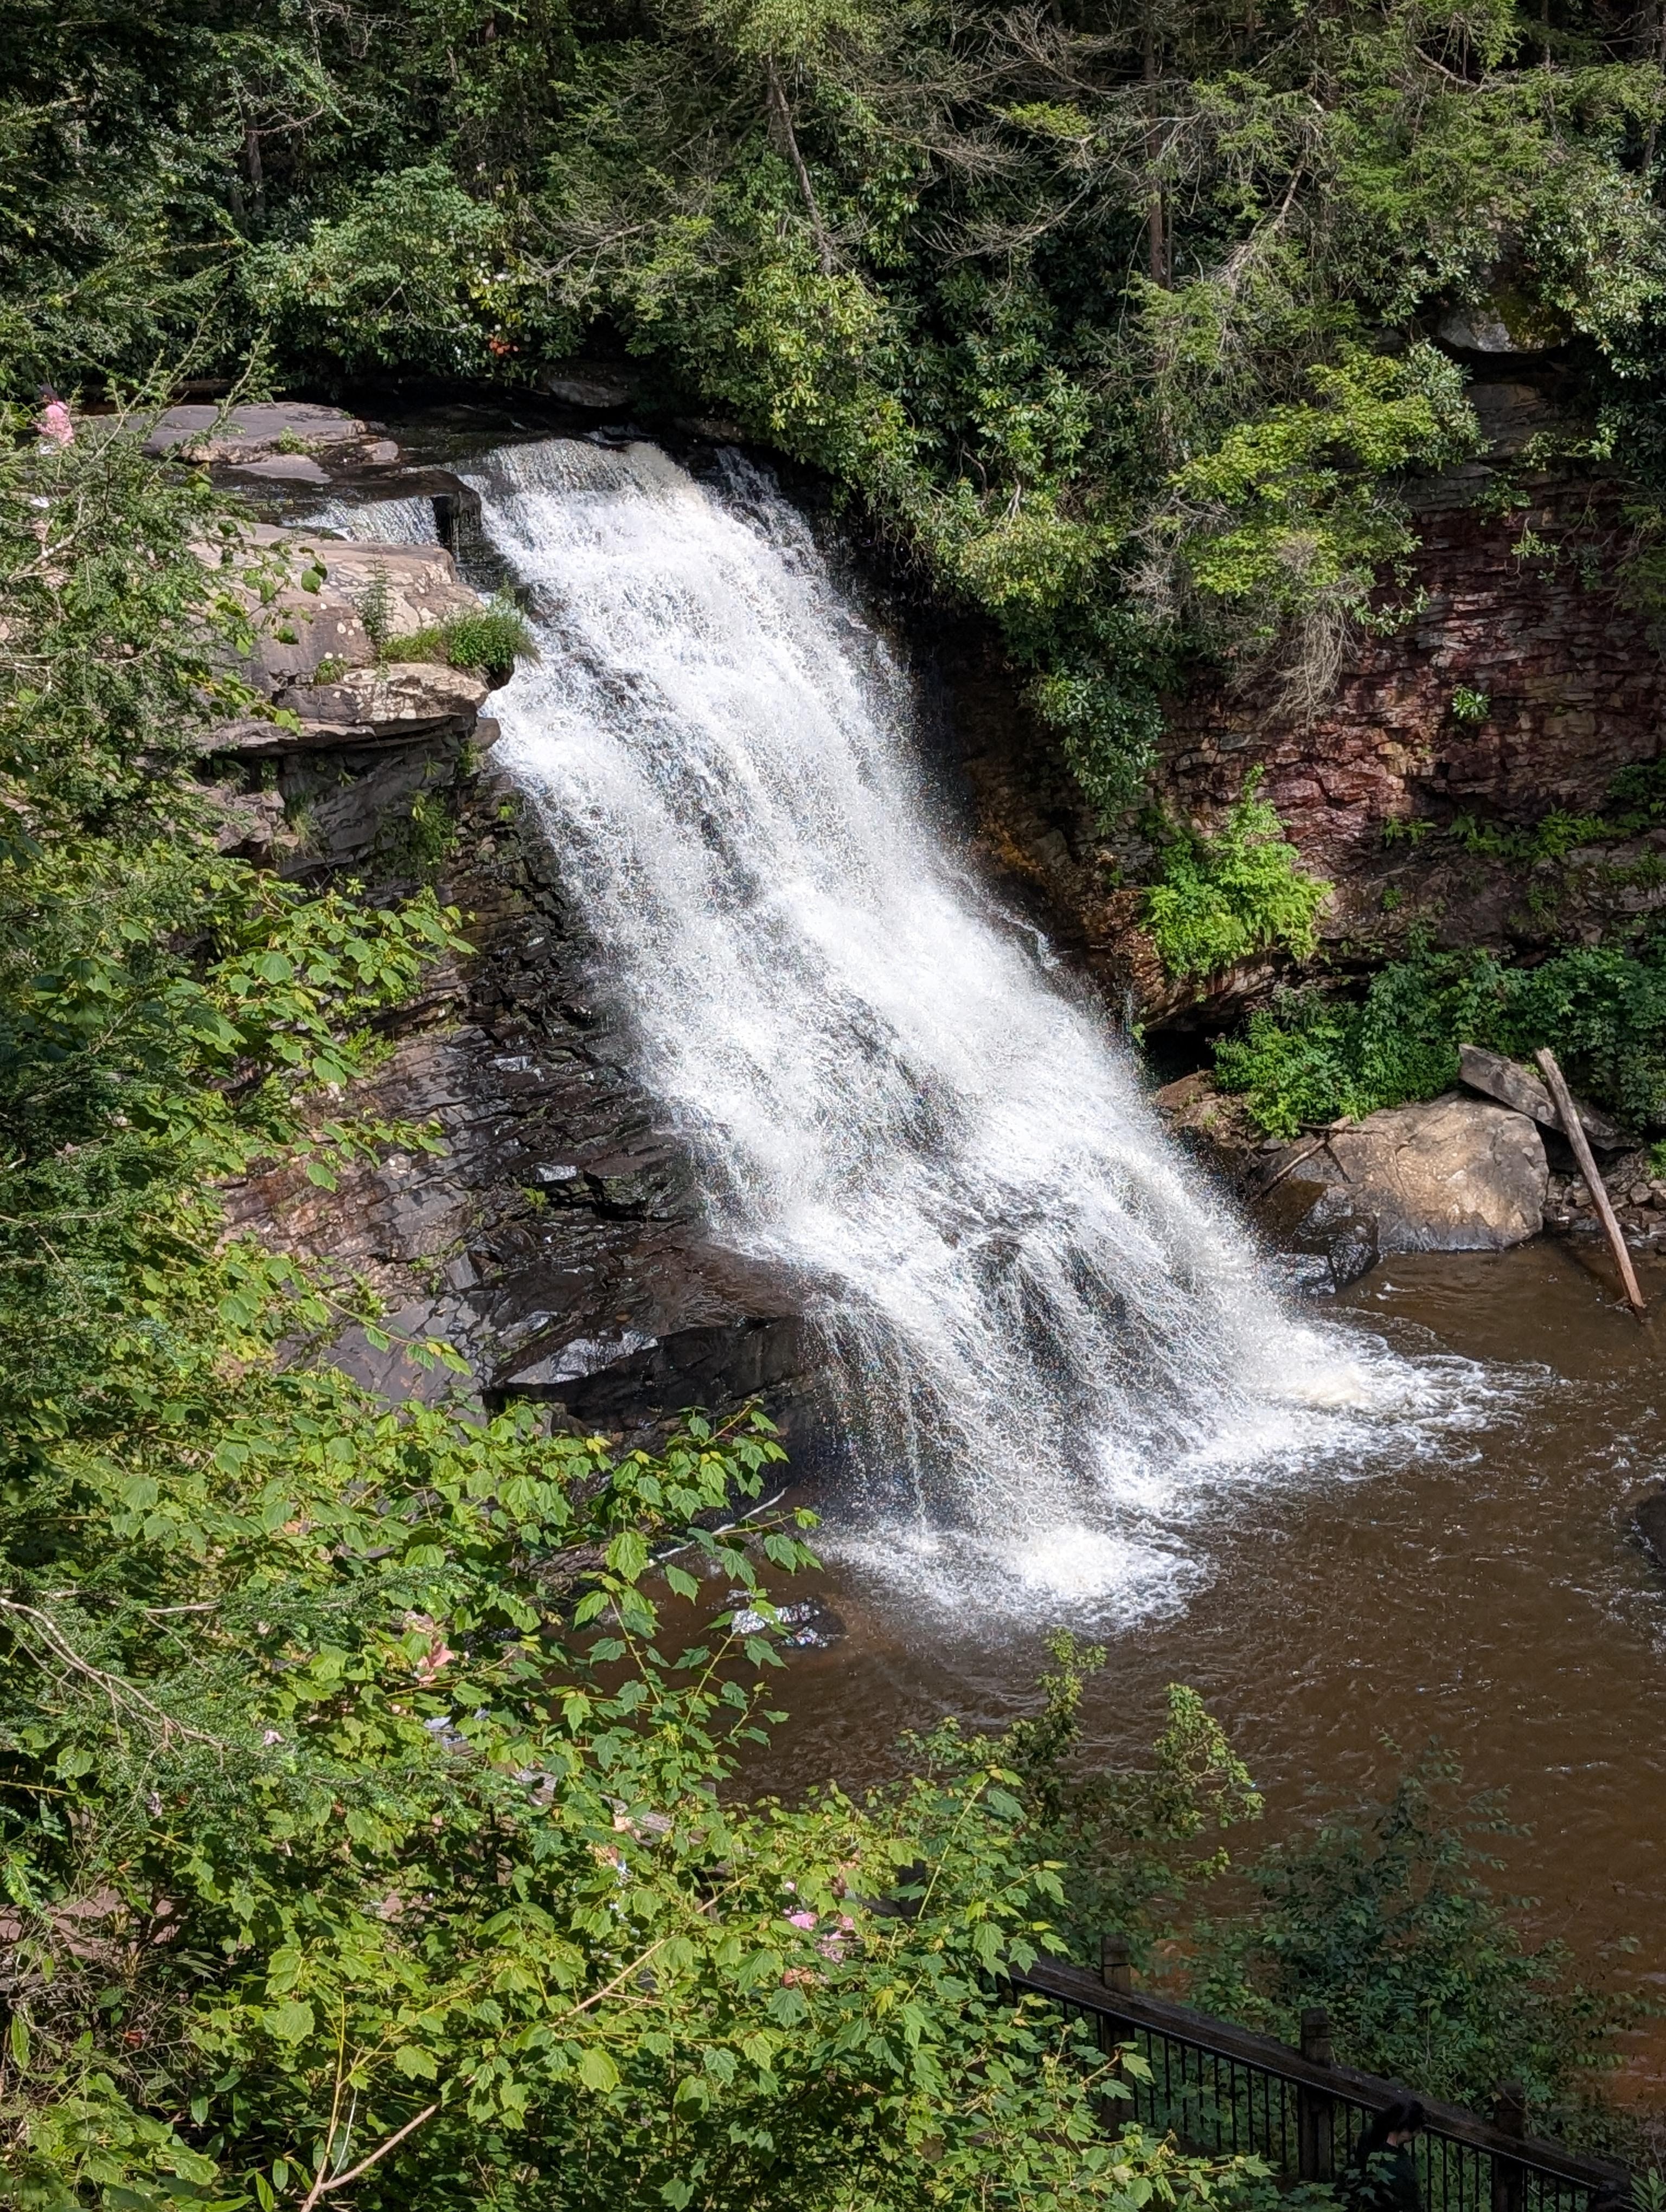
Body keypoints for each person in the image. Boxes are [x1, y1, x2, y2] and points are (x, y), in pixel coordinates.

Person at [1345, 2098, 1427, 2212]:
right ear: (1404, 2128)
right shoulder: (1398, 2163)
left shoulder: (1371, 2136)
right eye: (1413, 2132)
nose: (1413, 2137)